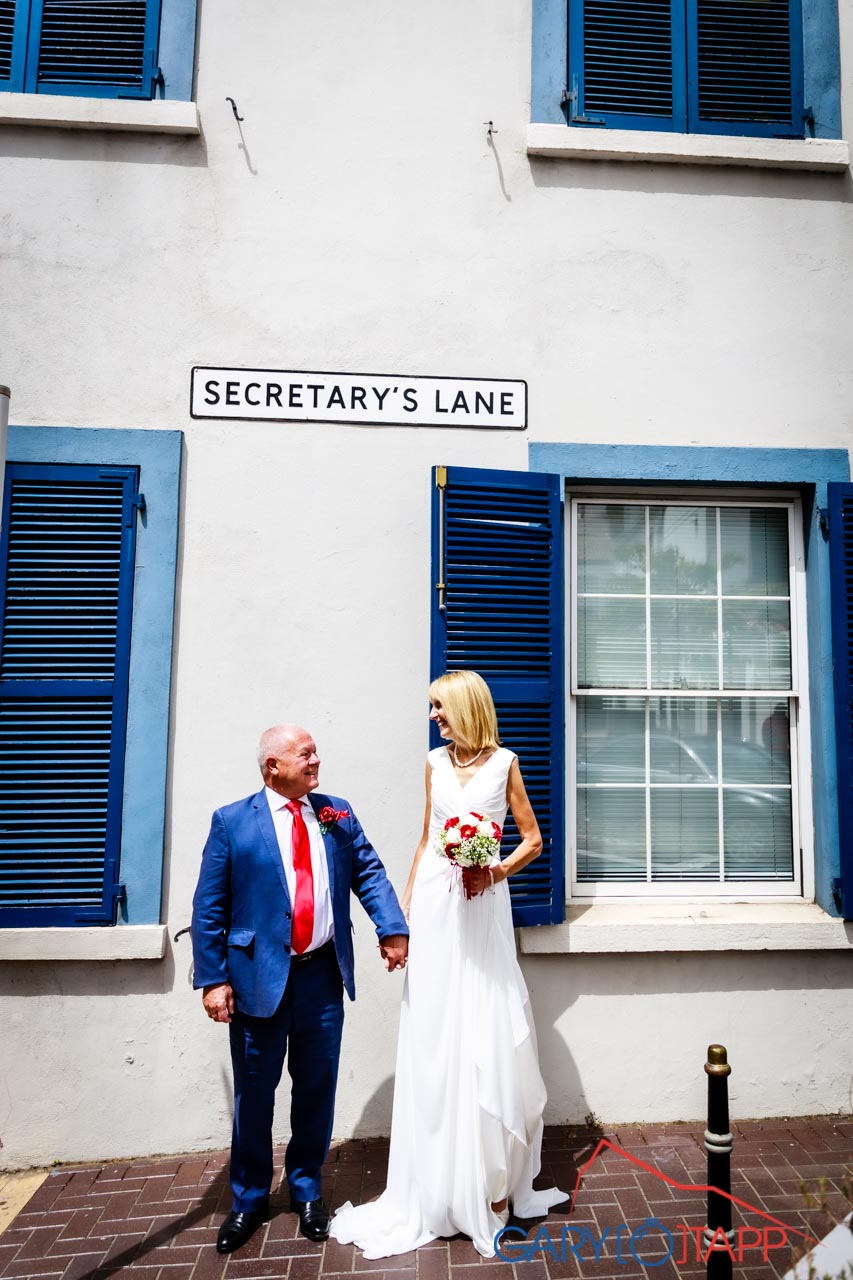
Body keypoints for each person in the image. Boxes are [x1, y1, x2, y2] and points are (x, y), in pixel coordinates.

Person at [330, 671, 566, 1259]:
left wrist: (494, 871)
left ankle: (488, 1182)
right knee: (434, 1033)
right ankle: (433, 1180)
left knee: (481, 1027)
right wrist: (401, 919)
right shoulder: (434, 763)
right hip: (437, 905)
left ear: (465, 707)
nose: (433, 717)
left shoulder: (505, 763)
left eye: (439, 706)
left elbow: (533, 839)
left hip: (481, 908)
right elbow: (424, 840)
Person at [191, 724, 409, 1255]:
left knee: (316, 1087)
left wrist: (392, 927)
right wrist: (213, 979)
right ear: (273, 766)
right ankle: (247, 1199)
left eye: (315, 752)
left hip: (320, 976)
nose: (316, 760)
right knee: (254, 1094)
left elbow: (370, 872)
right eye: (304, 753)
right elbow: (208, 906)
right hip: (256, 981)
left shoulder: (336, 813)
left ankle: (307, 1190)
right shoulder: (232, 822)